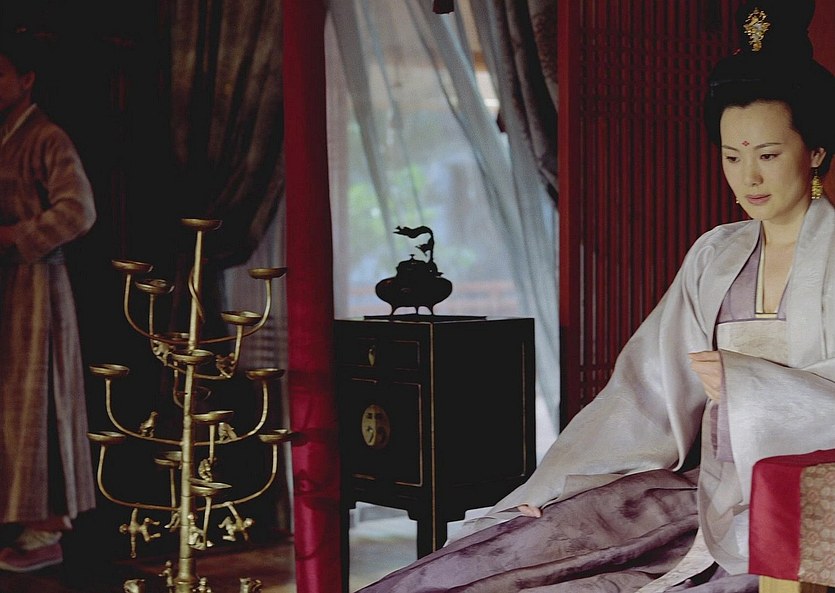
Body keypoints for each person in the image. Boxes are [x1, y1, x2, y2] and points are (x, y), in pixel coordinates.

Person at [358, 1, 835, 591]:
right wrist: (558, 484)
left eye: (768, 155)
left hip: (801, 502)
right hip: (705, 489)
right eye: (731, 156)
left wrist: (748, 384)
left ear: (815, 151)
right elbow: (645, 391)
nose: (749, 178)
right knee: (523, 549)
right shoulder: (716, 255)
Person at [0, 30, 96, 572]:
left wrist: (15, 235)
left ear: (26, 79)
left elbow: (78, 211)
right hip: (6, 285)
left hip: (35, 288)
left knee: (37, 401)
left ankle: (47, 528)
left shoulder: (47, 137)